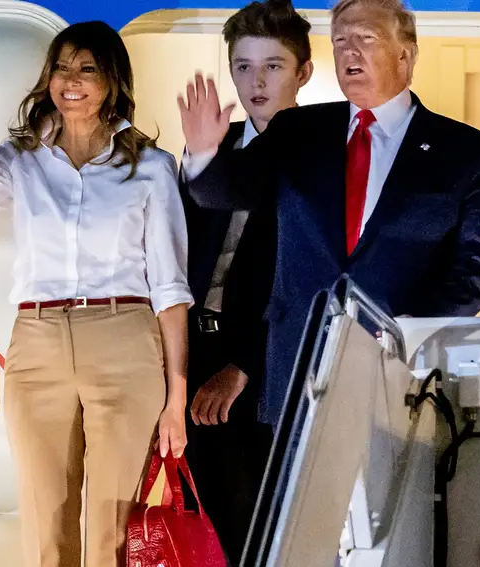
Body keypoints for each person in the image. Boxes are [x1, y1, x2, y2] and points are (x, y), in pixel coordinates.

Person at [0, 21, 193, 567]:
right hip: (37, 342)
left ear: (111, 80)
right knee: (46, 525)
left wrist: (177, 396)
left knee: (113, 529)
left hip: (125, 339)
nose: (71, 80)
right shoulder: (21, 159)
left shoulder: (151, 168)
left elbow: (170, 289)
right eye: (61, 68)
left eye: (87, 68)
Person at [178, 0, 480, 428]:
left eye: (365, 39)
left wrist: (411, 328)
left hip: (398, 370)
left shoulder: (465, 151)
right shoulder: (298, 130)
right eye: (340, 41)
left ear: (406, 54)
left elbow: (478, 265)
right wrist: (203, 153)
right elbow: (233, 189)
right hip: (297, 368)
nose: (350, 52)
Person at [177, 0, 311, 562]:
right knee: (201, 517)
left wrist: (246, 365)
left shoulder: (321, 151)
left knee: (267, 522)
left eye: (273, 66)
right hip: (192, 347)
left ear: (303, 71)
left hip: (269, 356)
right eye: (243, 66)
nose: (256, 81)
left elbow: (309, 280)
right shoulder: (212, 144)